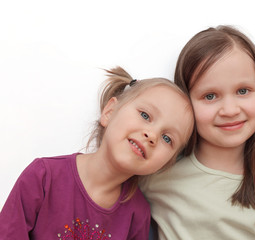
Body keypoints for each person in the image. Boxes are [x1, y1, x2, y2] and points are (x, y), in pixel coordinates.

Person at [141, 25, 255, 239]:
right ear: (186, 102)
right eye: (210, 96)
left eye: (243, 91)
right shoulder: (156, 174)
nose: (230, 110)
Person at [0, 66, 194, 240]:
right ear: (110, 111)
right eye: (145, 115)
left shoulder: (138, 215)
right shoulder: (43, 176)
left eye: (167, 139)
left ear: (166, 163)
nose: (152, 135)